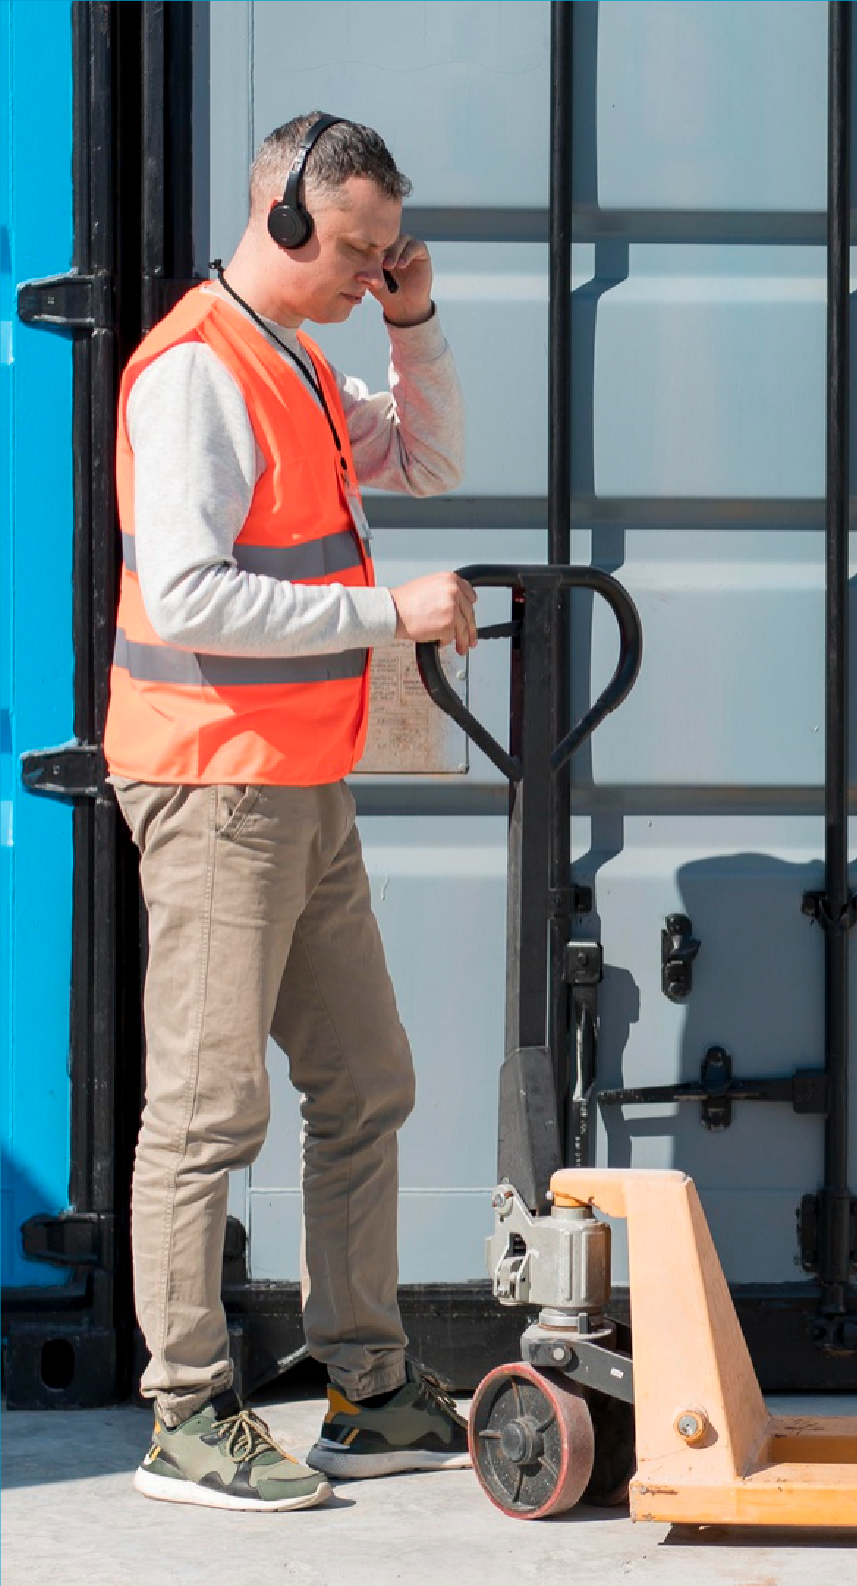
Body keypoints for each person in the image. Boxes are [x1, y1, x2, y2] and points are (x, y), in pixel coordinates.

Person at [105, 111, 480, 1512]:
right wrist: (392, 613)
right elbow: (193, 593)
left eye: (392, 254)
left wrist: (418, 319)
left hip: (298, 784)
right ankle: (186, 1412)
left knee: (366, 1081)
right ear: (279, 219)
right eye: (361, 252)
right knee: (205, 1111)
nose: (373, 273)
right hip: (213, 783)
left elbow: (428, 462)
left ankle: (367, 1387)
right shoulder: (196, 373)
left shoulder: (302, 364)